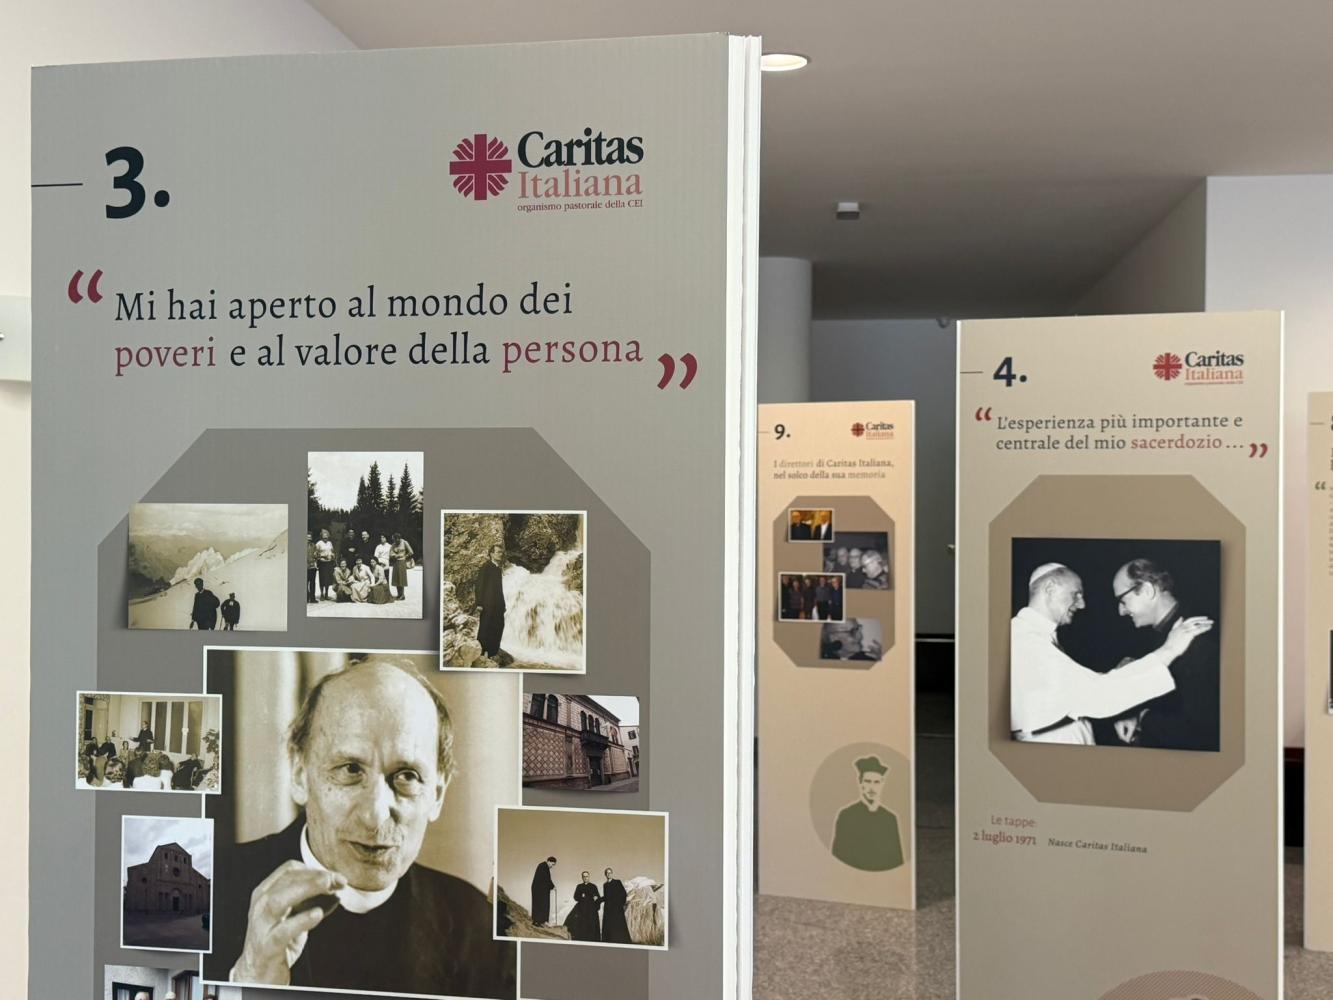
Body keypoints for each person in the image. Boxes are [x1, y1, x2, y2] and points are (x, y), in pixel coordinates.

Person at [205, 657, 516, 997]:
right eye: (351, 770)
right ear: (299, 773)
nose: (375, 815)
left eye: (407, 776)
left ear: (437, 795)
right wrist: (250, 980)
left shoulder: (479, 927)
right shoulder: (205, 892)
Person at [1010, 562, 1213, 744]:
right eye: (1076, 594)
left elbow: (1073, 690)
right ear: (1050, 589)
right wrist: (1169, 650)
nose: (1082, 604)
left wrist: (1122, 674)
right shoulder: (1024, 640)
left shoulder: (1037, 636)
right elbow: (1096, 695)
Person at [1109, 558, 1221, 752]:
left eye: (1123, 600)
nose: (1121, 611)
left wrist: (1142, 718)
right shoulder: (1162, 633)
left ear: (1147, 590)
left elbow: (1203, 731)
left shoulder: (1198, 637)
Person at [831, 756, 904, 872]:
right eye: (868, 781)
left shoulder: (890, 818)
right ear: (860, 783)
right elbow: (838, 856)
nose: (872, 787)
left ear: (882, 784)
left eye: (876, 782)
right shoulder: (847, 815)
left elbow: (897, 859)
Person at [474, 542, 506, 656]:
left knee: (498, 626)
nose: (500, 554)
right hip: (487, 604)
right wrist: (479, 603)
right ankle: (480, 653)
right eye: (498, 552)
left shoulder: (498, 569)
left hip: (498, 605)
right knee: (485, 627)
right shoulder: (486, 567)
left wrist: (503, 605)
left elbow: (499, 590)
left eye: (501, 552)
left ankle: (492, 653)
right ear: (491, 554)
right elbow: (479, 585)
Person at [564, 872, 601, 942]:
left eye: (587, 876)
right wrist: (581, 896)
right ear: (582, 878)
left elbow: (597, 897)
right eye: (584, 877)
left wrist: (596, 899)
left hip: (591, 909)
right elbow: (575, 897)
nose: (585, 878)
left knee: (591, 926)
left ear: (589, 877)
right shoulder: (579, 886)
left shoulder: (593, 886)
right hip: (581, 909)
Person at [600, 867, 631, 944]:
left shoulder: (617, 882)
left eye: (610, 873)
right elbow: (606, 897)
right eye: (607, 873)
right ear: (605, 875)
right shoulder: (605, 885)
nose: (609, 874)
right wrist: (598, 900)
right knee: (609, 926)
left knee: (618, 925)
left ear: (612, 873)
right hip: (608, 909)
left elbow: (623, 893)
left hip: (617, 909)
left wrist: (620, 904)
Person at [530, 856, 556, 926]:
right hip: (539, 890)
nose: (552, 866)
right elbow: (546, 879)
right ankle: (538, 921)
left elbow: (546, 879)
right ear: (549, 861)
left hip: (540, 889)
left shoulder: (543, 866)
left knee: (541, 905)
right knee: (540, 905)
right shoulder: (543, 866)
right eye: (552, 864)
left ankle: (540, 921)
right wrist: (552, 886)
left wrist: (552, 886)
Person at [390, 533, 415, 602]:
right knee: (396, 578)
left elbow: (411, 552)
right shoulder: (393, 544)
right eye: (394, 540)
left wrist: (405, 556)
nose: (395, 541)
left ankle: (402, 595)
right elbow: (391, 553)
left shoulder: (404, 542)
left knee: (401, 578)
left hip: (402, 562)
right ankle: (399, 594)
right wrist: (394, 555)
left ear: (399, 538)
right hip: (395, 562)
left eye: (396, 539)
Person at [315, 529, 336, 601]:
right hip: (322, 563)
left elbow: (332, 551)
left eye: (326, 536)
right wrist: (323, 556)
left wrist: (333, 555)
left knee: (328, 579)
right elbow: (316, 554)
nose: (325, 537)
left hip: (329, 563)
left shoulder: (330, 543)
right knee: (322, 578)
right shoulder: (318, 543)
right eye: (324, 536)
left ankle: (326, 594)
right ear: (321, 536)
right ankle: (322, 594)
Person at [306, 533, 318, 604]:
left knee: (312, 583)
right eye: (308, 537)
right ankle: (306, 597)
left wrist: (316, 555)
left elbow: (316, 555)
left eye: (310, 537)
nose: (309, 538)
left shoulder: (314, 545)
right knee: (305, 583)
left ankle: (312, 598)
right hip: (305, 567)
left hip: (313, 567)